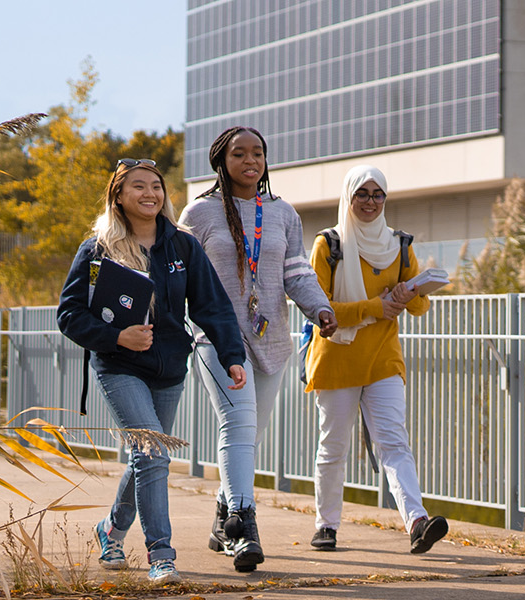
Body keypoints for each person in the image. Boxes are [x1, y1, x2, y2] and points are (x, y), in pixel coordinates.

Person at [57, 159, 250, 583]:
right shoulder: (97, 249)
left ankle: (110, 530)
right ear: (119, 196)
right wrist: (118, 338)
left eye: (156, 187)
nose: (150, 194)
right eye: (138, 187)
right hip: (119, 367)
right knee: (154, 454)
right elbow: (68, 314)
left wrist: (232, 354)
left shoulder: (182, 246)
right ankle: (161, 554)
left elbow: (212, 304)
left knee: (146, 458)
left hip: (169, 370)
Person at [180, 126, 339, 573]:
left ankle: (219, 517)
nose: (250, 161)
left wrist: (320, 310)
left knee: (250, 435)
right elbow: (180, 276)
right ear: (221, 161)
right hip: (218, 338)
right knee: (238, 423)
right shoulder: (200, 214)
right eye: (239, 154)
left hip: (271, 336)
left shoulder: (283, 213)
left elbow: (297, 274)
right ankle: (243, 527)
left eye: (258, 153)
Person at [302, 165, 448, 553]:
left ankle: (416, 522)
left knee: (394, 442)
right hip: (338, 358)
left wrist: (407, 294)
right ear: (348, 198)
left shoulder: (399, 245)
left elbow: (420, 307)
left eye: (377, 194)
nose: (370, 202)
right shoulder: (328, 245)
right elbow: (317, 307)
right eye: (362, 194)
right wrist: (374, 307)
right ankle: (326, 525)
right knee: (333, 446)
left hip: (384, 359)